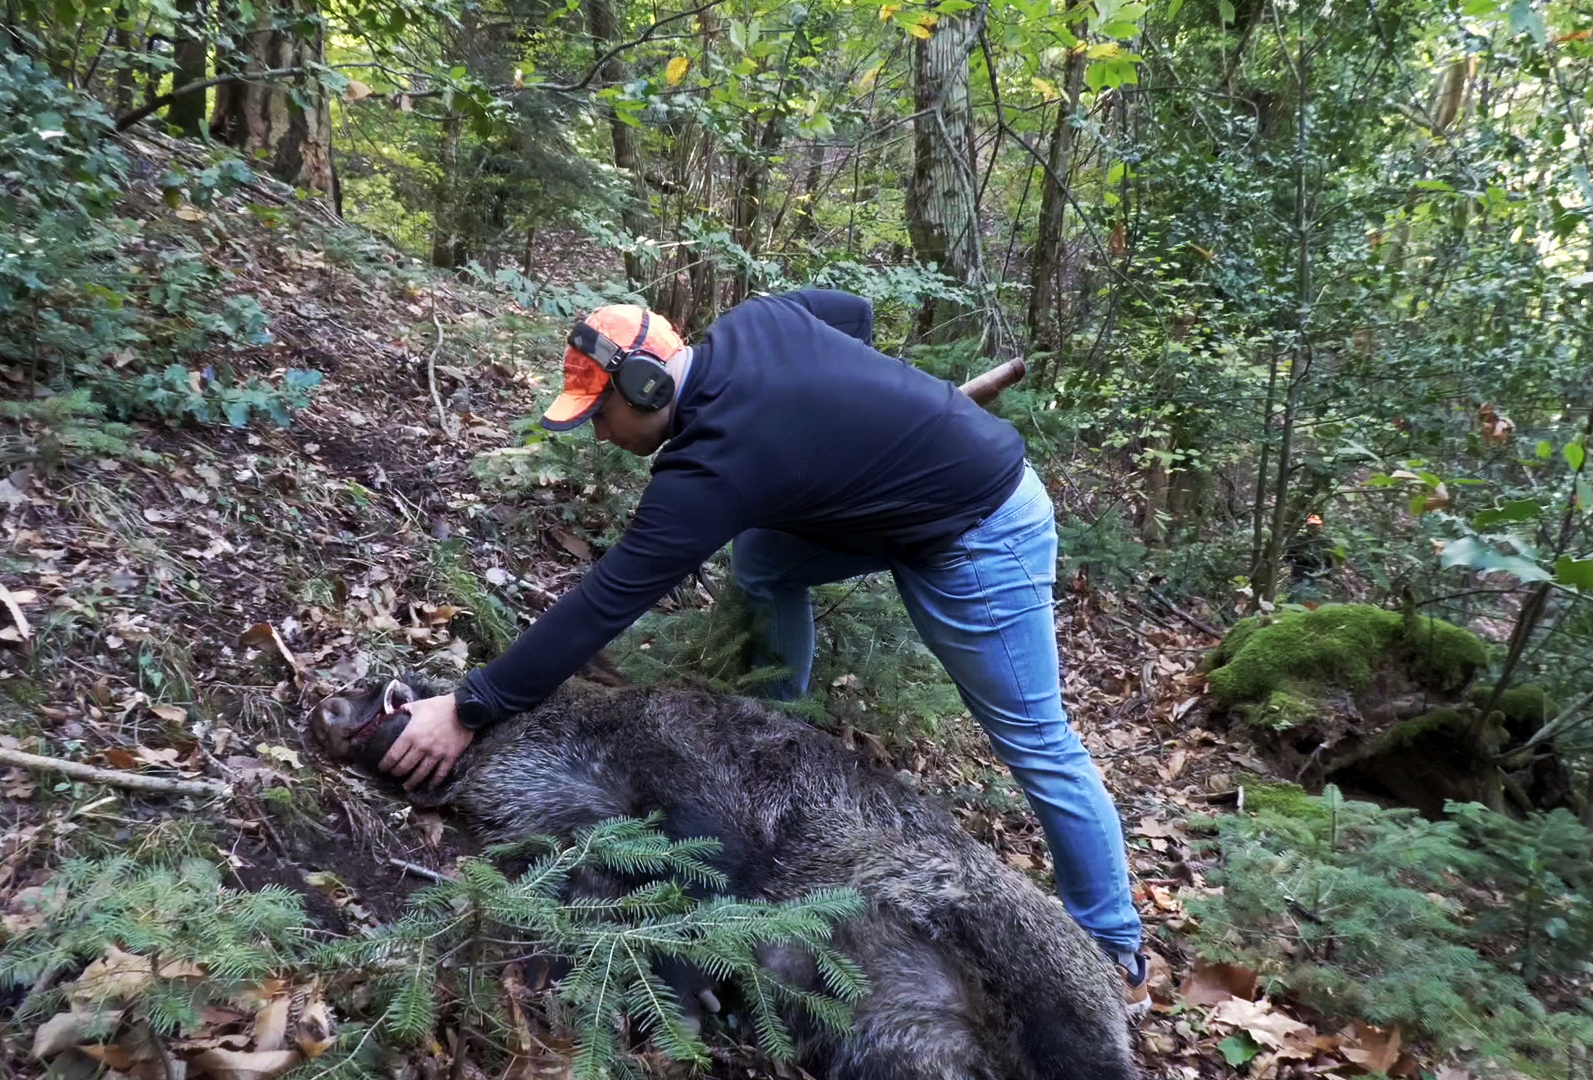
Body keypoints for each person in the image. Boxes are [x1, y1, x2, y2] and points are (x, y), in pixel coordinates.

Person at [377, 289, 1150, 1016]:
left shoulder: (711, 465)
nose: (600, 434)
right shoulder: (758, 321)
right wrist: (878, 425)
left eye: (600, 413)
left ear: (646, 386)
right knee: (766, 560)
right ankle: (779, 736)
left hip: (981, 528)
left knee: (1037, 740)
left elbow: (605, 601)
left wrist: (470, 706)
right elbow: (853, 315)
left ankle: (1113, 954)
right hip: (903, 514)